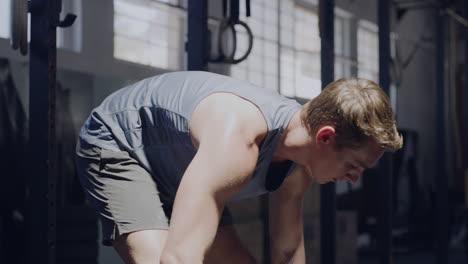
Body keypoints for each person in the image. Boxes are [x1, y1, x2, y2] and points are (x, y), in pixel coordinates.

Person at [75, 71, 403, 264]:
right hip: (120, 144)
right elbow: (180, 257)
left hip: (179, 165)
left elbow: (288, 250)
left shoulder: (297, 168)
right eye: (354, 165)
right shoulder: (237, 142)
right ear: (326, 137)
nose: (354, 178)